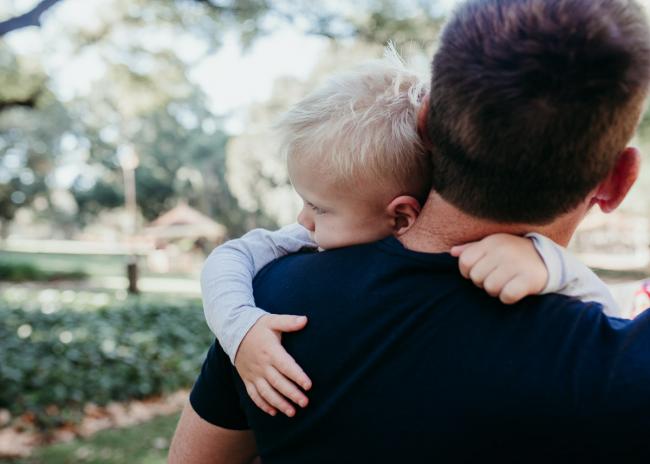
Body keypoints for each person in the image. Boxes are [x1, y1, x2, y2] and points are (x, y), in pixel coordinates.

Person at [170, 0, 650, 462]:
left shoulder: (271, 304)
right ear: (618, 180)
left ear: (425, 123)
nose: (305, 220)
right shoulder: (621, 369)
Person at [198, 54, 618, 419]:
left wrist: (544, 262)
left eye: (319, 208)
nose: (302, 219)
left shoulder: (482, 262)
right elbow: (230, 257)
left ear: (400, 217)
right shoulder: (310, 241)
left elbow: (605, 317)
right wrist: (241, 329)